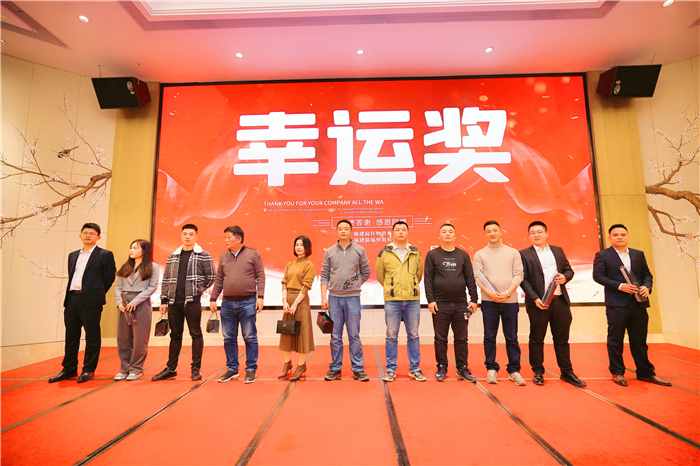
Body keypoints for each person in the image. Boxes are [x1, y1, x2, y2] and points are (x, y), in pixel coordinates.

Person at [593, 224, 671, 387]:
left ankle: (645, 372)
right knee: (615, 340)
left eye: (623, 234)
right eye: (615, 235)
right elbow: (598, 276)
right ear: (609, 237)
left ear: (628, 237)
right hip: (617, 304)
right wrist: (620, 286)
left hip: (639, 303)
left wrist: (646, 287)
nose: (619, 237)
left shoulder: (638, 254)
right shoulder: (603, 255)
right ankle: (617, 372)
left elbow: (647, 275)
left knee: (639, 340)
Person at [519, 221, 585, 387]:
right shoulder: (524, 254)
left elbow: (569, 270)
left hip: (560, 301)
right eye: (533, 233)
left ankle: (567, 372)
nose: (536, 235)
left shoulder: (557, 250)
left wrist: (565, 277)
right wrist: (535, 298)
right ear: (529, 236)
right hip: (538, 304)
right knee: (537, 339)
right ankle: (538, 371)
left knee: (562, 339)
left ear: (546, 234)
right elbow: (523, 279)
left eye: (539, 232)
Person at [50, 223, 116, 384]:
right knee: (71, 336)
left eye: (92, 233)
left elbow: (109, 278)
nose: (88, 235)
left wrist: (96, 293)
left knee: (92, 336)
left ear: (98, 237)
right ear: (80, 236)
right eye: (85, 233)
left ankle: (88, 369)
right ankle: (69, 368)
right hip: (72, 299)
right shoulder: (73, 255)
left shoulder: (105, 255)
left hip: (91, 301)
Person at [152, 224, 215, 382]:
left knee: (196, 333)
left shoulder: (203, 255)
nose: (187, 236)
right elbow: (166, 279)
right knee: (175, 335)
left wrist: (198, 289)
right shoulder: (173, 255)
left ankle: (196, 369)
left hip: (192, 302)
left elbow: (211, 276)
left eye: (191, 234)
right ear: (181, 235)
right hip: (174, 302)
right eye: (185, 234)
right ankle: (171, 368)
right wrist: (164, 300)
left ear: (196, 236)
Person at [210, 226, 266, 384]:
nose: (226, 240)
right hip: (227, 303)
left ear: (239, 239)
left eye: (229, 237)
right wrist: (213, 298)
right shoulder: (223, 256)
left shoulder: (253, 254)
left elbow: (260, 276)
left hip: (248, 301)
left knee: (250, 337)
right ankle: (232, 368)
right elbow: (219, 279)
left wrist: (260, 296)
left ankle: (251, 369)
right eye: (225, 237)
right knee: (228, 338)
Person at [424, 223, 479, 382]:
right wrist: (430, 300)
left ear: (455, 236)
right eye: (444, 232)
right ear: (439, 236)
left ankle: (462, 367)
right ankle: (442, 367)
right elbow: (428, 279)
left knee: (462, 338)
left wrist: (474, 299)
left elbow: (469, 278)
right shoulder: (432, 255)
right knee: (440, 338)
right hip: (440, 304)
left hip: (461, 304)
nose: (447, 234)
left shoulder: (463, 255)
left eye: (450, 232)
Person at [473, 220, 525, 386]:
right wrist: (491, 294)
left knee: (512, 338)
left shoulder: (513, 253)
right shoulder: (480, 254)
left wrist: (507, 293)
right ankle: (491, 369)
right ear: (485, 234)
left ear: (501, 232)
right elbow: (478, 277)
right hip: (489, 302)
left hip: (510, 301)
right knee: (489, 337)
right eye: (488, 231)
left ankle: (514, 370)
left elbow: (519, 274)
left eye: (495, 230)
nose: (492, 233)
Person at [321, 220, 371, 382]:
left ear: (351, 231)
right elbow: (324, 275)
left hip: (353, 299)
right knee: (335, 336)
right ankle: (335, 368)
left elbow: (366, 271)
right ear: (337, 231)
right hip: (334, 299)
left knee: (354, 335)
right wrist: (323, 297)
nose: (343, 231)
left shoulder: (360, 250)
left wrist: (354, 284)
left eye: (346, 229)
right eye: (340, 229)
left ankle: (358, 369)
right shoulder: (329, 251)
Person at [376, 221, 425, 382]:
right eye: (397, 230)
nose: (401, 232)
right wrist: (391, 287)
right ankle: (390, 369)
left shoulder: (415, 252)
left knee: (414, 335)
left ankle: (414, 368)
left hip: (412, 300)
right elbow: (380, 275)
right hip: (393, 300)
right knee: (391, 336)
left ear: (408, 233)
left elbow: (418, 275)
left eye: (404, 229)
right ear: (393, 233)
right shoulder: (385, 252)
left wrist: (410, 286)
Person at [114, 240, 159, 381]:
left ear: (144, 251)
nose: (131, 250)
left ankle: (136, 369)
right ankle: (125, 369)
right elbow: (118, 287)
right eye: (131, 247)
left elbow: (152, 287)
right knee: (123, 338)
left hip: (141, 304)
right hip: (124, 303)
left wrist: (135, 301)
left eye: (135, 248)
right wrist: (119, 302)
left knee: (140, 339)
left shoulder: (153, 266)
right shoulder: (126, 266)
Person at [279, 236, 317, 381]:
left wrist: (295, 303)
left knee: (302, 334)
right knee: (286, 332)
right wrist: (284, 301)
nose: (298, 247)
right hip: (288, 300)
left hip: (300, 302)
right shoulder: (289, 264)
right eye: (296, 245)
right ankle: (287, 363)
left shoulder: (309, 265)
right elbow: (284, 283)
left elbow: (306, 286)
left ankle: (301, 365)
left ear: (307, 247)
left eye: (301, 245)